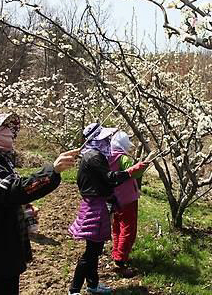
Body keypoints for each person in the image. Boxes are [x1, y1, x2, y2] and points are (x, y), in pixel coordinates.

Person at [0, 111, 78, 295]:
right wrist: (52, 170)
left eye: (8, 127)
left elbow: (5, 199)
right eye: (1, 128)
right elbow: (10, 191)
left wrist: (25, 210)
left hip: (1, 252)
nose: (7, 131)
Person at [68, 124, 148, 295]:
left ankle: (92, 285)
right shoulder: (94, 157)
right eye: (104, 138)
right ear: (97, 139)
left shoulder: (90, 155)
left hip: (97, 204)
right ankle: (74, 289)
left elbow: (100, 181)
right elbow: (109, 178)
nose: (108, 140)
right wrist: (130, 172)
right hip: (95, 208)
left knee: (95, 250)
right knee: (90, 252)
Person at [108, 131, 145, 277]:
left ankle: (116, 253)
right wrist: (143, 166)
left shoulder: (107, 156)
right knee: (128, 229)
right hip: (127, 199)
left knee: (117, 227)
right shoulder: (123, 158)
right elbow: (134, 173)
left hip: (114, 198)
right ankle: (120, 261)